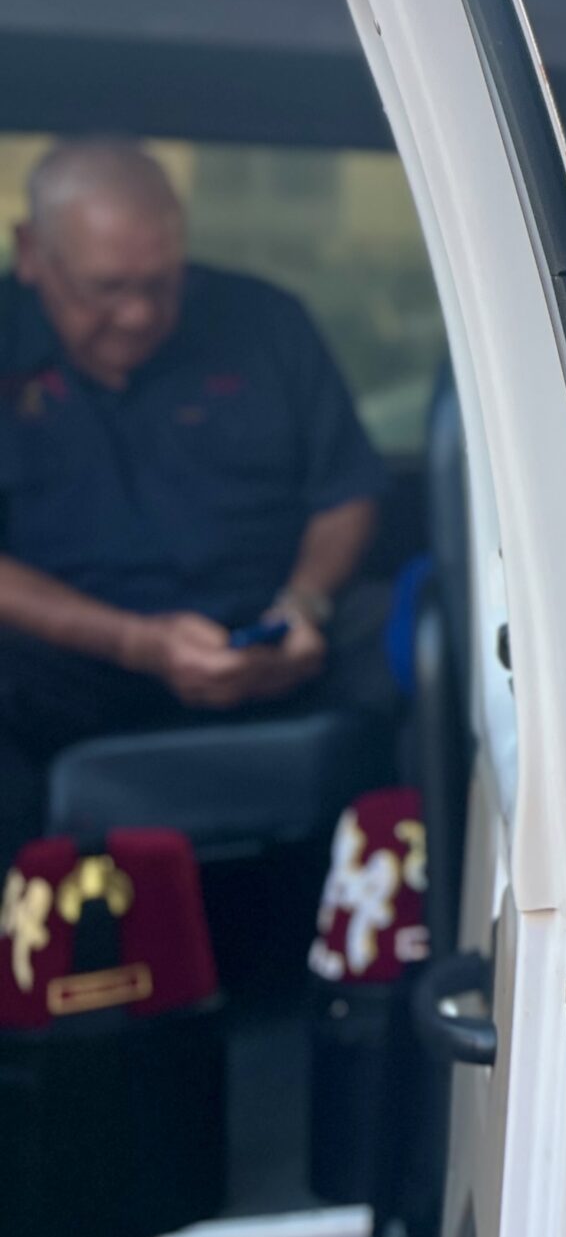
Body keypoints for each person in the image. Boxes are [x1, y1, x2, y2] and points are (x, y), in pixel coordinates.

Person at [0, 138, 388, 856]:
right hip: (72, 663)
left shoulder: (267, 322)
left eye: (161, 283)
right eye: (106, 288)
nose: (139, 314)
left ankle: (413, 905)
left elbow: (346, 492)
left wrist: (304, 604)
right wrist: (134, 642)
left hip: (275, 641)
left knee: (412, 635)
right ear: (32, 254)